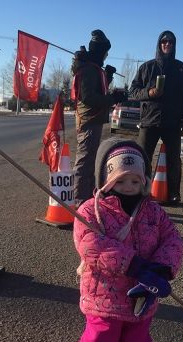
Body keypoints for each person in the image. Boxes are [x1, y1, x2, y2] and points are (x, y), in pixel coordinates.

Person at [73, 137, 183, 342]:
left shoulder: (154, 212)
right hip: (104, 297)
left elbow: (173, 241)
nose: (129, 188)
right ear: (106, 180)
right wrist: (132, 264)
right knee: (99, 341)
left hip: (141, 297)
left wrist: (161, 268)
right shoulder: (91, 211)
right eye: (120, 181)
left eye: (135, 181)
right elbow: (91, 244)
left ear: (144, 181)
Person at [129, 30, 183, 205]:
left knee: (174, 160)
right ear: (159, 44)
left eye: (170, 42)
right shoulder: (147, 67)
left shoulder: (182, 68)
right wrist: (149, 92)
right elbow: (133, 92)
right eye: (164, 41)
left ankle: (174, 193)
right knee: (142, 158)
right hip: (149, 121)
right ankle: (141, 192)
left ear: (174, 45)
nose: (167, 44)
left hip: (172, 123)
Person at [71, 29, 127, 208]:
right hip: (88, 119)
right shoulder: (88, 69)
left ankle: (86, 199)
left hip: (93, 120)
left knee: (90, 161)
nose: (106, 55)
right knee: (85, 162)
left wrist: (108, 76)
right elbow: (89, 97)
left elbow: (98, 90)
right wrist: (113, 99)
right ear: (99, 51)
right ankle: (80, 202)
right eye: (105, 52)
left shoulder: (94, 68)